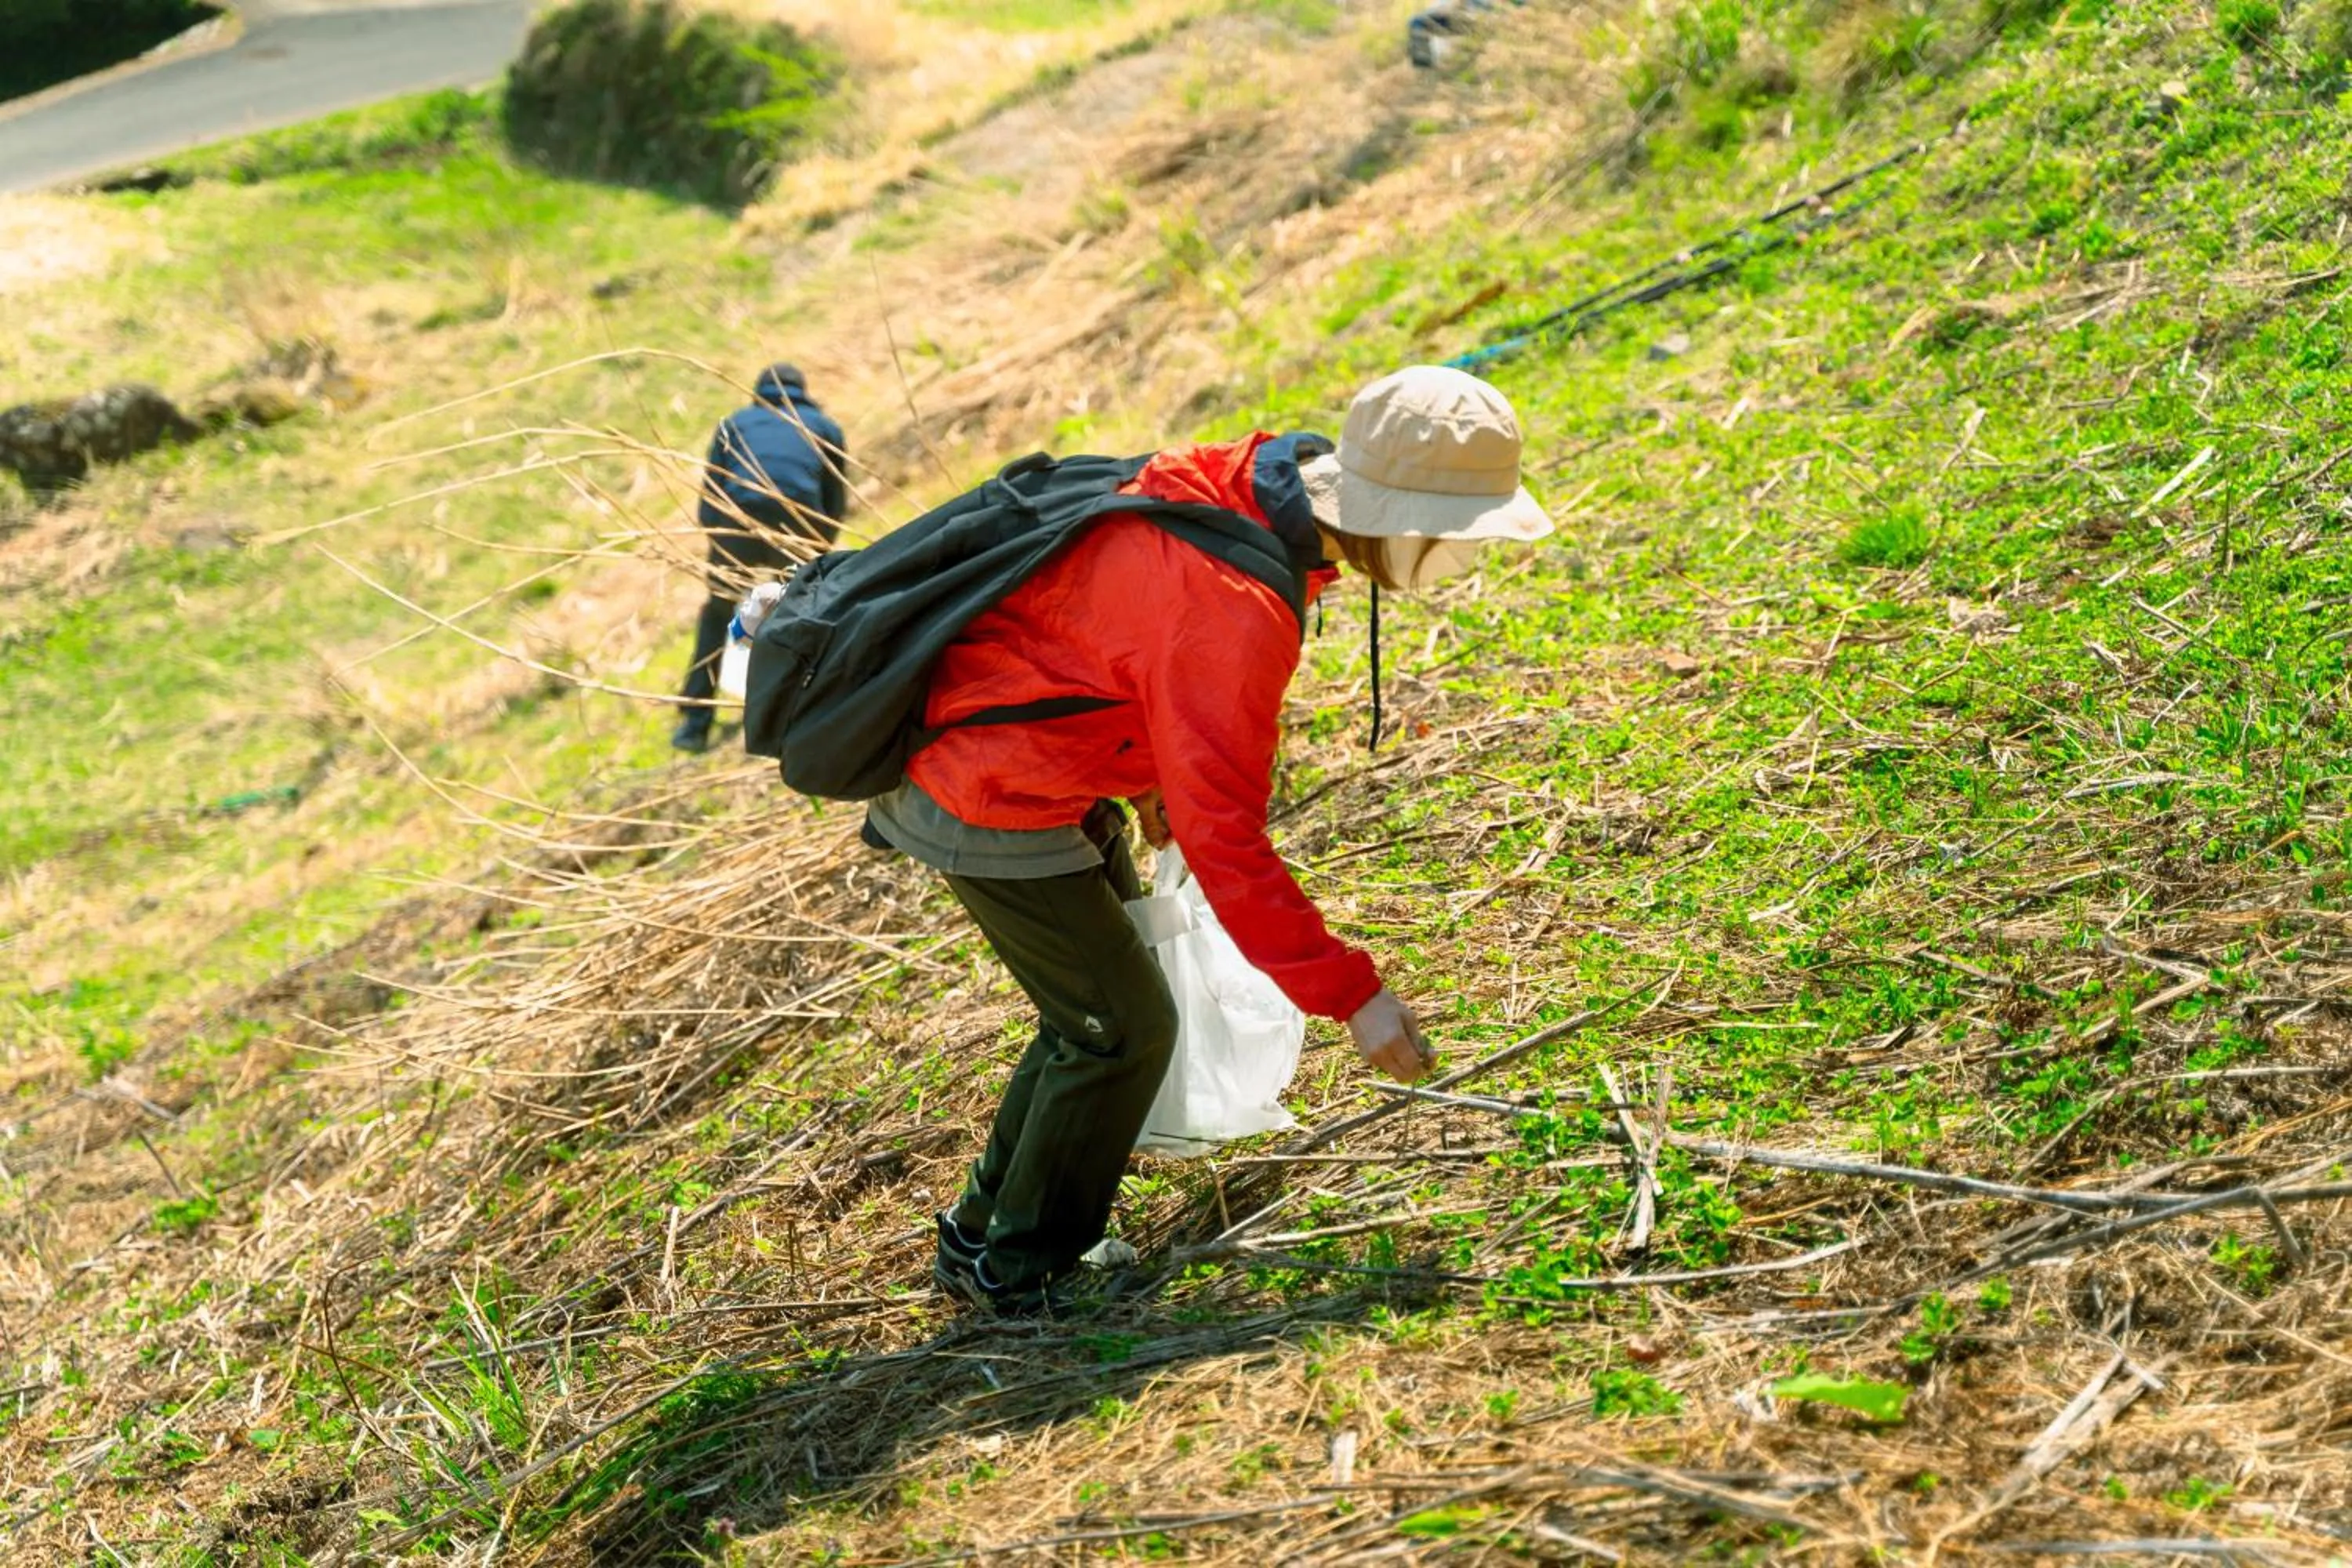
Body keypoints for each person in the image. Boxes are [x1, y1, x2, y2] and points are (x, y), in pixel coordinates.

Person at [869, 365, 1555, 1314]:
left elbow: (1107, 627)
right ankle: (1022, 1274)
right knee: (1124, 1028)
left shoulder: (1258, 488)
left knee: (1095, 1012)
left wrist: (1150, 769)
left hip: (1035, 750)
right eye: (1462, 539)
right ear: (1396, 517)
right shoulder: (1236, 605)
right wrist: (1352, 994)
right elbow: (1224, 840)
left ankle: (983, 1235)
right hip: (983, 782)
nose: (1464, 562)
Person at [673, 364, 848, 753]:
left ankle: (694, 725)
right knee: (803, 610)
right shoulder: (824, 426)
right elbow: (835, 502)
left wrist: (719, 546)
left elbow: (710, 497)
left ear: (758, 393)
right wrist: (817, 556)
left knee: (719, 614)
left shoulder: (734, 424)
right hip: (799, 518)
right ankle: (804, 704)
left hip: (736, 520)